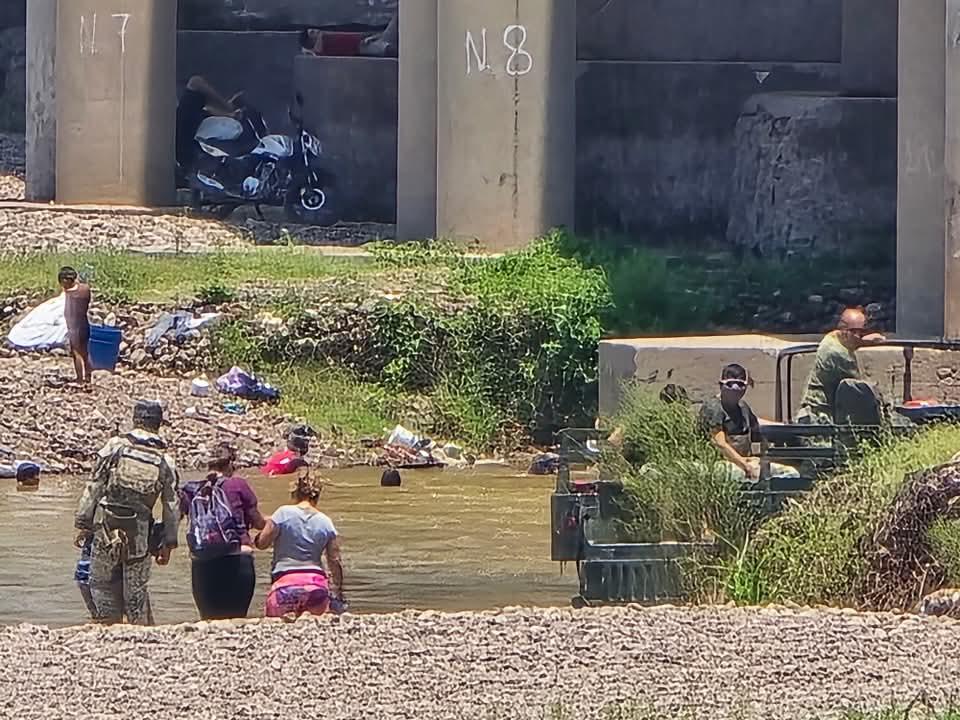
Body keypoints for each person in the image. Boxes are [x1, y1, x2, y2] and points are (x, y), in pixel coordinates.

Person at [74, 400, 180, 625]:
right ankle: (138, 629)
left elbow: (94, 486)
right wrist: (168, 543)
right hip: (139, 534)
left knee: (101, 583)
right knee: (136, 592)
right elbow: (171, 506)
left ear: (135, 419)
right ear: (158, 424)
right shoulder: (165, 461)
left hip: (105, 529)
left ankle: (108, 626)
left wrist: (83, 523)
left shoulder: (114, 447)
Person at [180, 443, 265, 620]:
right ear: (230, 464)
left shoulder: (192, 490)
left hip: (203, 562)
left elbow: (179, 519)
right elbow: (258, 522)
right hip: (238, 559)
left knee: (209, 620)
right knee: (237, 619)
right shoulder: (238, 485)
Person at [255, 472, 345, 618]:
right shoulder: (326, 522)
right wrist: (339, 591)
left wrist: (260, 531)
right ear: (317, 496)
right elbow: (335, 561)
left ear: (295, 493)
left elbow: (262, 544)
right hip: (316, 588)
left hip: (285, 586)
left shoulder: (282, 514)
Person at [796, 307, 887, 425]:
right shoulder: (839, 355)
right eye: (858, 332)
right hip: (820, 422)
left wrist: (864, 341)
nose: (860, 336)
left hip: (817, 415)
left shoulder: (831, 339)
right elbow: (860, 391)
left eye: (863, 332)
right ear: (845, 331)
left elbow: (850, 341)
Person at [699, 364, 763, 480]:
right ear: (721, 385)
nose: (735, 389)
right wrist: (745, 465)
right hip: (718, 464)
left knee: (785, 473)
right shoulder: (714, 408)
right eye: (730, 384)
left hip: (744, 461)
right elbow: (720, 443)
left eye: (740, 384)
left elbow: (758, 427)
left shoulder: (743, 408)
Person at [176, 75, 241, 182]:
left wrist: (228, 110)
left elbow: (196, 84)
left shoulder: (187, 118)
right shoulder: (186, 120)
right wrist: (228, 110)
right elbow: (196, 84)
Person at [58, 267, 92, 387]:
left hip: (74, 327)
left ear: (66, 281)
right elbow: (79, 286)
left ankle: (79, 380)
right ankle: (88, 377)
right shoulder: (85, 289)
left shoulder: (69, 295)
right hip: (85, 323)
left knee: (76, 352)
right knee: (85, 352)